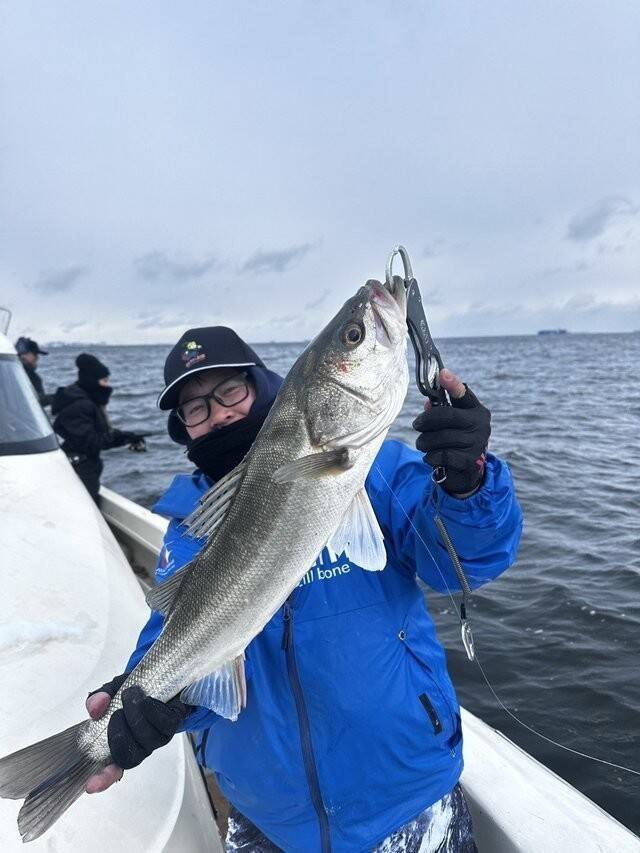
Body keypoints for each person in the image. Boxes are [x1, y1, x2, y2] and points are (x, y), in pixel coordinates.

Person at [85, 325, 523, 852]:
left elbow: (465, 565)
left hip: (403, 793)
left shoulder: (377, 468)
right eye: (195, 408)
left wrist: (467, 485)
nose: (219, 414)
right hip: (266, 814)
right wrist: (148, 700)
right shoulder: (190, 527)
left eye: (230, 391)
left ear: (267, 385)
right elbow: (176, 638)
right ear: (183, 428)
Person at [51, 353, 146, 504]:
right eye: (104, 381)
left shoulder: (84, 400)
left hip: (81, 467)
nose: (107, 385)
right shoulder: (80, 405)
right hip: (79, 470)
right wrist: (123, 438)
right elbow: (91, 442)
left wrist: (127, 436)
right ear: (92, 381)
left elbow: (97, 435)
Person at [15, 336, 53, 406]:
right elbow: (34, 401)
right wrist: (56, 397)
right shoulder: (32, 377)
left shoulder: (10, 373)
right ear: (24, 354)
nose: (37, 358)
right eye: (35, 354)